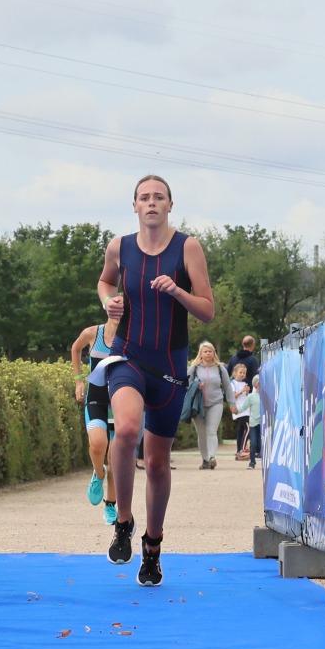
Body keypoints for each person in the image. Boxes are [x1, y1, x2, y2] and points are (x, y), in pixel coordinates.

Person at [96, 174, 216, 586]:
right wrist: (109, 303)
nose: (151, 203)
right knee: (128, 429)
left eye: (158, 197)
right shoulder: (120, 247)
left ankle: (152, 545)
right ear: (134, 205)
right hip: (127, 355)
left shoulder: (188, 247)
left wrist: (178, 292)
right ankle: (123, 521)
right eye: (144, 197)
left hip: (169, 366)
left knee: (159, 462)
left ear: (169, 205)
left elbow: (207, 311)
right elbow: (105, 281)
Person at [70, 313, 126, 523]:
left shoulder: (131, 337)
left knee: (114, 457)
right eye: (115, 308)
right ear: (108, 308)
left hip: (120, 403)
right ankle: (98, 473)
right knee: (97, 444)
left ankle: (110, 504)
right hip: (96, 400)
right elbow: (76, 348)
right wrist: (78, 380)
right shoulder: (93, 333)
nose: (119, 313)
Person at [189, 342, 229, 470]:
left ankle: (212, 457)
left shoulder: (220, 368)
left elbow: (227, 386)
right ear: (200, 354)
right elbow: (186, 385)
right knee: (201, 434)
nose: (208, 354)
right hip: (198, 405)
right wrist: (196, 386)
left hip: (216, 403)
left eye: (210, 351)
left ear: (214, 353)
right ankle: (205, 459)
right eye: (205, 351)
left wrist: (232, 403)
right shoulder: (194, 368)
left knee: (211, 431)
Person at [228, 362, 254, 461]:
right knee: (248, 428)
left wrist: (247, 392)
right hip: (239, 410)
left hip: (246, 410)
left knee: (241, 430)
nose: (242, 374)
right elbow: (232, 396)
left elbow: (246, 397)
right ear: (235, 373)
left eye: (244, 373)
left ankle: (239, 451)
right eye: (240, 372)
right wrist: (241, 391)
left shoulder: (244, 384)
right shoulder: (232, 384)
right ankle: (243, 449)